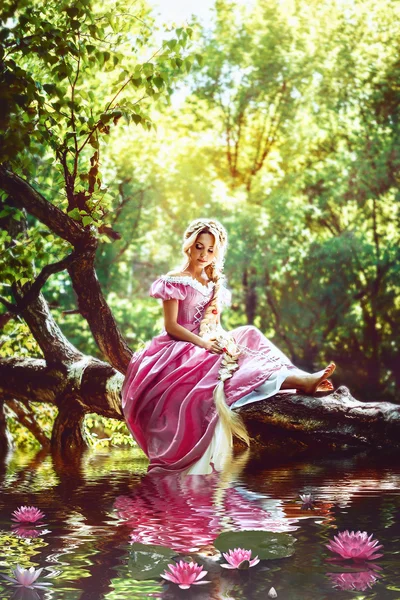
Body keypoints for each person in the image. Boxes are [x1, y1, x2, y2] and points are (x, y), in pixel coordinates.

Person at [121, 219, 336, 475]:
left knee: (248, 334)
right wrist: (203, 343)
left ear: (217, 253)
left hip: (208, 340)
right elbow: (171, 326)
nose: (204, 254)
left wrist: (222, 341)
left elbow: (215, 324)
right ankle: (301, 381)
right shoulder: (174, 281)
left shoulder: (213, 285)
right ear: (189, 246)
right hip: (180, 345)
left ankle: (300, 379)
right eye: (199, 247)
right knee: (225, 355)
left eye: (210, 250)